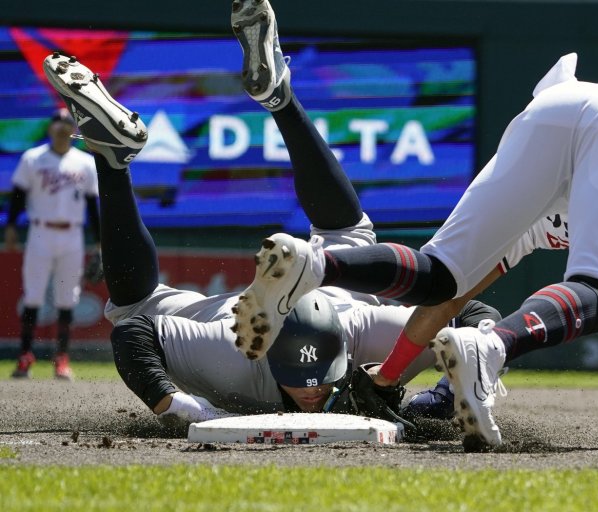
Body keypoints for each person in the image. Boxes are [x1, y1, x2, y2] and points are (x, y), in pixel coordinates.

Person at [235, 49, 598, 448]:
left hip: (551, 105)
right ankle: (493, 347)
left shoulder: (580, 139)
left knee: (440, 272)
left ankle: (315, 262)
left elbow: (450, 297)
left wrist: (388, 378)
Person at [40, 0, 499, 429]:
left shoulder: (366, 332)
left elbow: (476, 314)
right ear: (267, 357)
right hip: (234, 321)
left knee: (347, 237)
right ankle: (273, 98)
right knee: (345, 234)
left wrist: (442, 390)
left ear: (346, 348)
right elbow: (134, 335)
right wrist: (174, 404)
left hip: (332, 296)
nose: (313, 393)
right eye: (301, 380)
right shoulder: (234, 356)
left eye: (320, 377)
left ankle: (113, 157)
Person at [5, 107, 100, 380]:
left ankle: (61, 358)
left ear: (74, 130)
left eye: (67, 122)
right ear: (50, 128)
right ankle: (25, 356)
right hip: (40, 232)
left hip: (72, 234)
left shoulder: (85, 162)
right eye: (57, 122)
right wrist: (11, 226)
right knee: (33, 295)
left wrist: (99, 242)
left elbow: (92, 205)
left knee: (66, 297)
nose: (61, 126)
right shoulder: (33, 158)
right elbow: (18, 195)